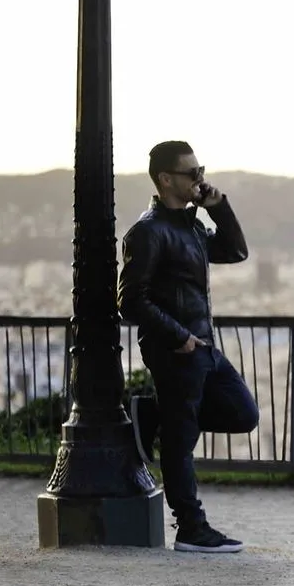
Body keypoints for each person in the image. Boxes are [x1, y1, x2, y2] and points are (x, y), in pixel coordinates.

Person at [117, 141, 260, 553]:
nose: (200, 178)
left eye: (201, 170)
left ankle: (154, 414)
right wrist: (178, 336)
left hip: (203, 346)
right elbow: (130, 300)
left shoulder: (192, 228)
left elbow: (236, 251)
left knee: (243, 413)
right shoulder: (147, 232)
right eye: (191, 173)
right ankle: (191, 528)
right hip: (176, 348)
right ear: (165, 179)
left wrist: (218, 207)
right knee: (180, 442)